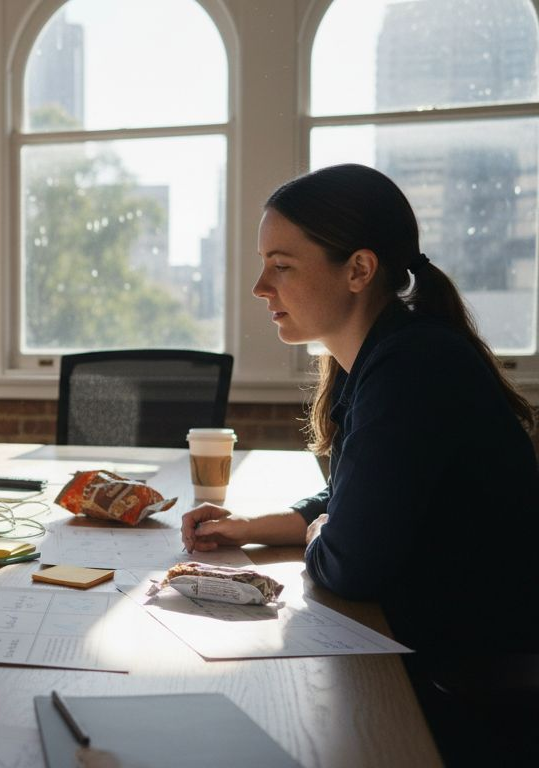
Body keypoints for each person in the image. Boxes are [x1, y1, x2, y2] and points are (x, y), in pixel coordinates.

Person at [180, 164, 538, 762]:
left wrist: (327, 532)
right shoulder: (385, 356)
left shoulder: (411, 369)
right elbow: (362, 496)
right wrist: (252, 528)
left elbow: (350, 565)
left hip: (458, 676)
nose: (259, 286)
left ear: (359, 270)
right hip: (422, 640)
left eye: (282, 265)